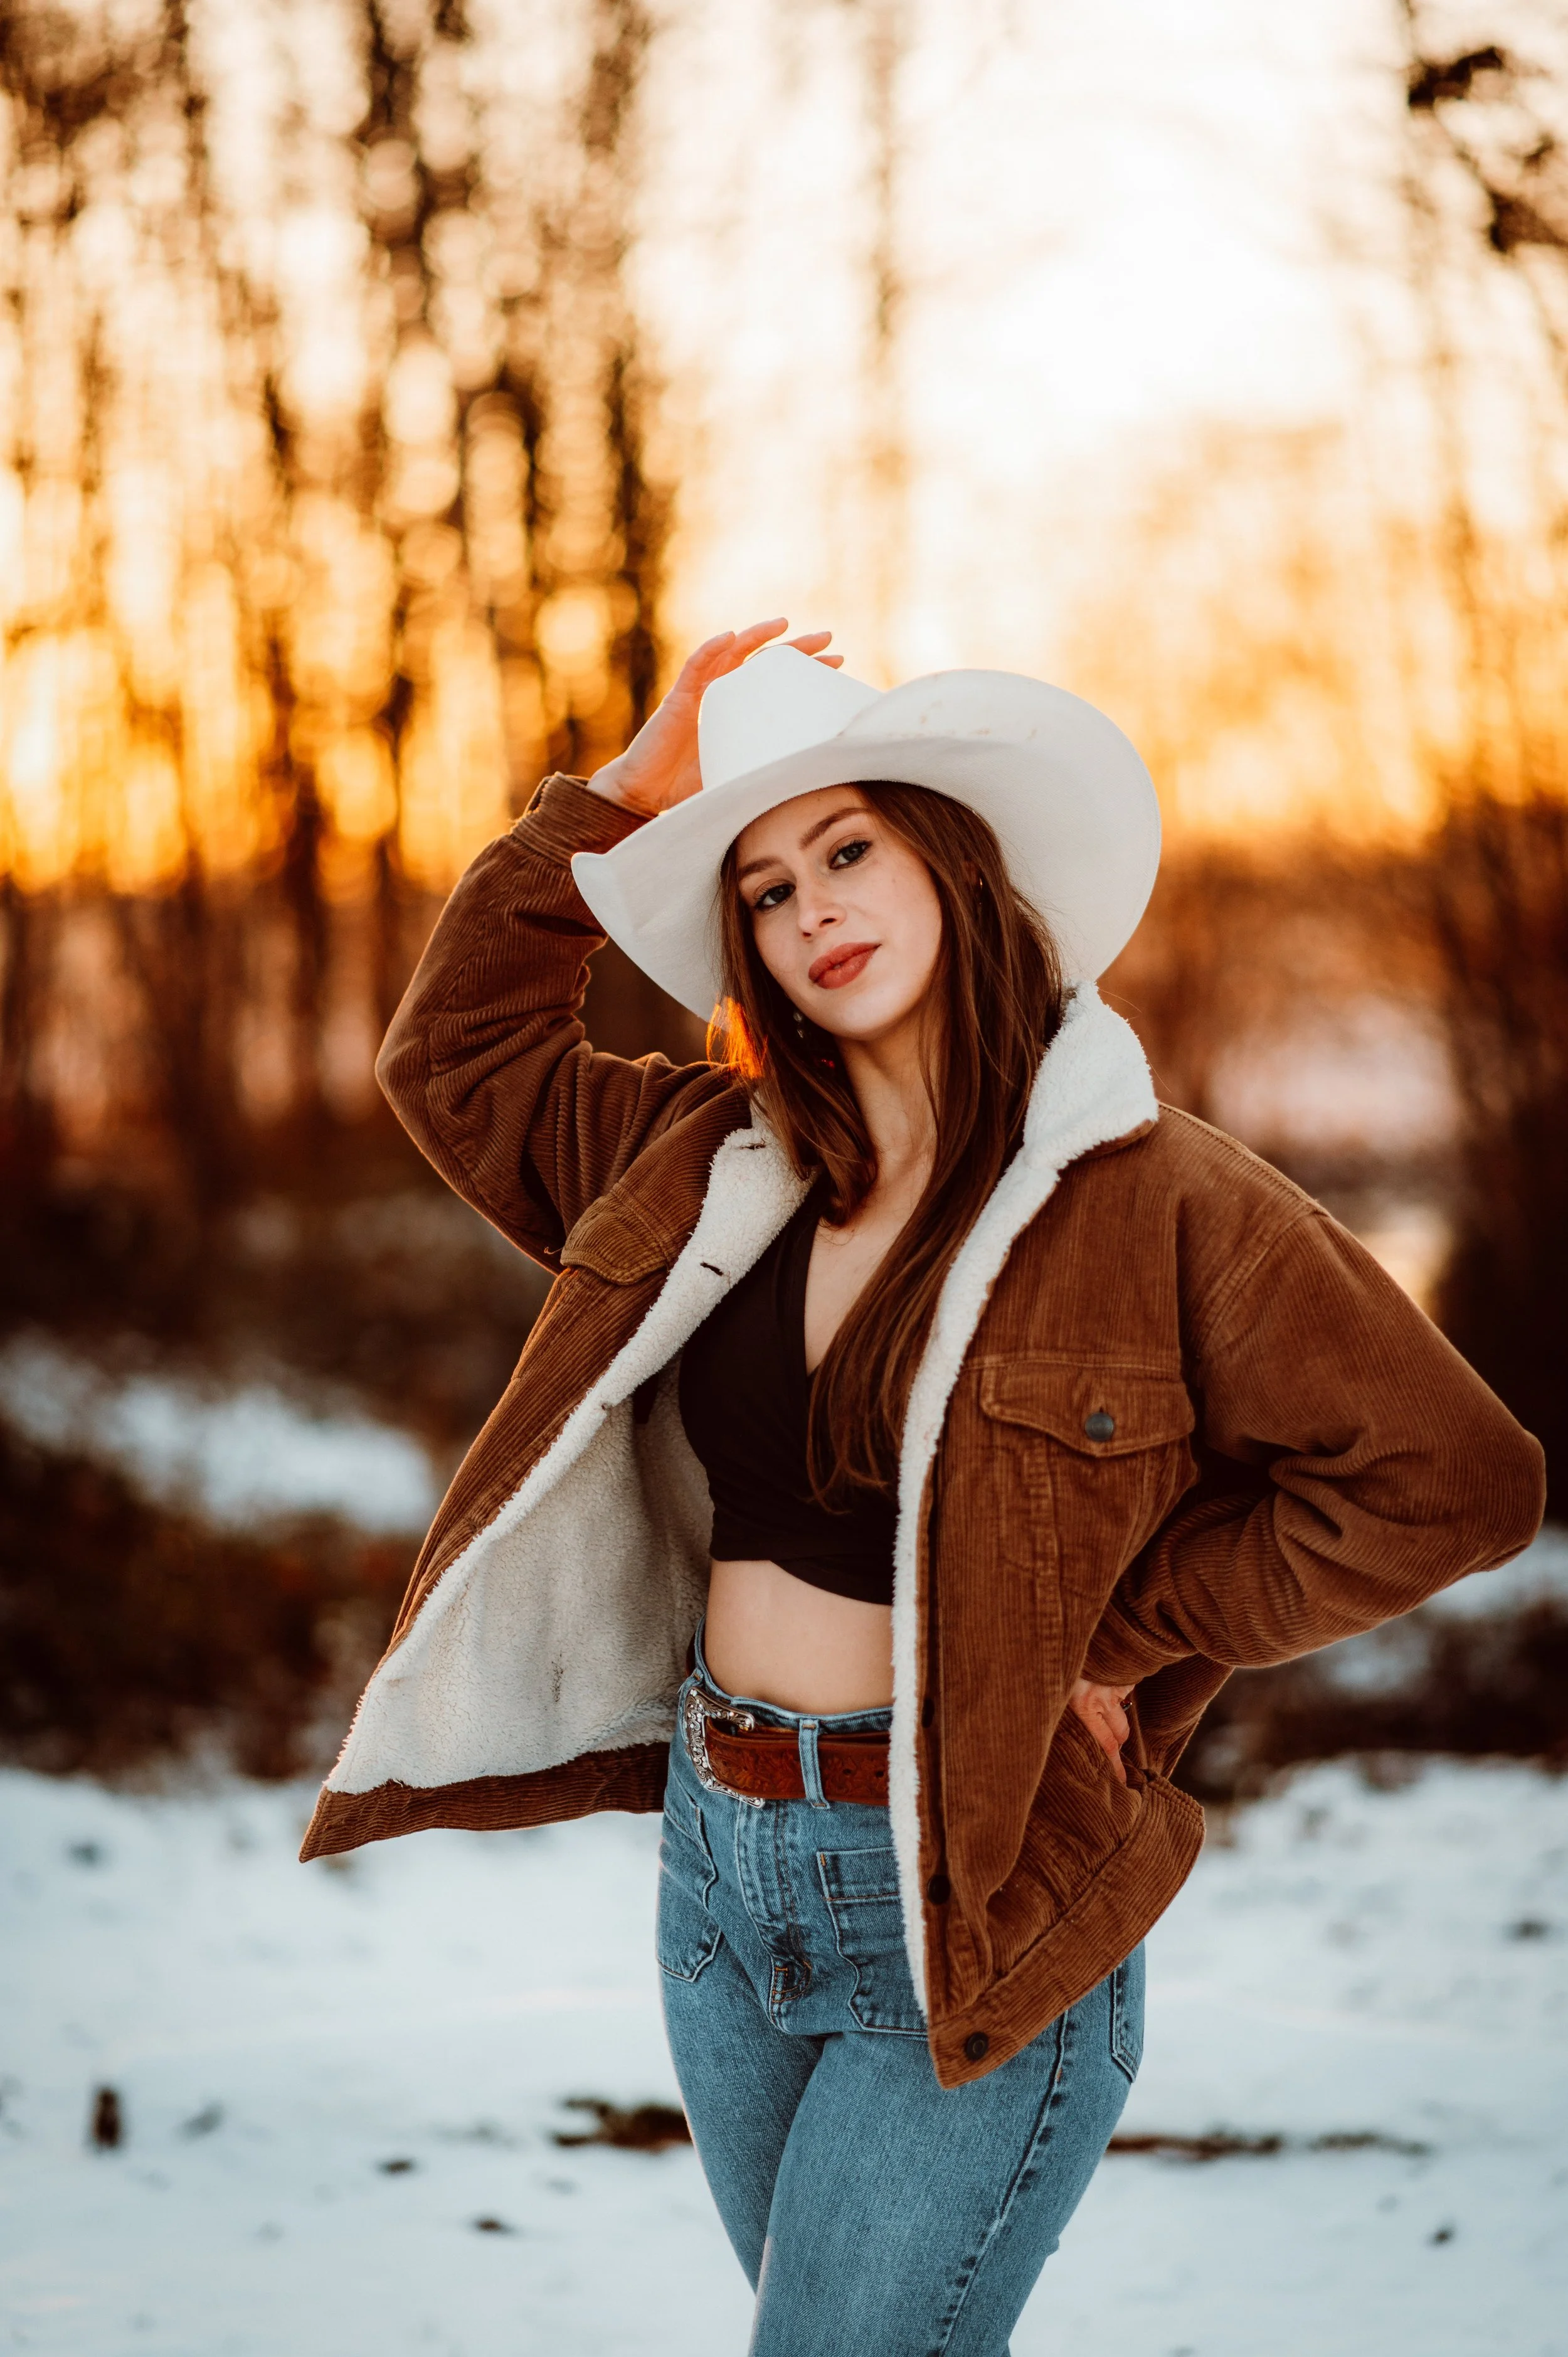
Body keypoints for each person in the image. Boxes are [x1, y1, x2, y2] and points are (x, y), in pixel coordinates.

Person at [302, 618, 1544, 2355]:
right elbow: (451, 1057)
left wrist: (1120, 1636)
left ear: (951, 862)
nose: (812, 909)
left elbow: (1453, 1477)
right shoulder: (696, 1161)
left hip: (974, 1885)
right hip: (723, 1865)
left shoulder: (1151, 1196)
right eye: (763, 889)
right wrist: (620, 796)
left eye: (848, 849)